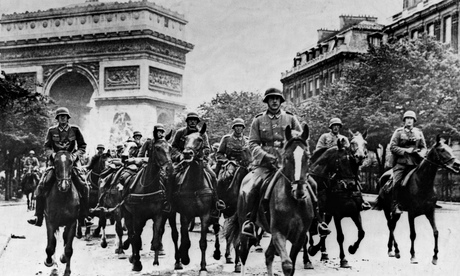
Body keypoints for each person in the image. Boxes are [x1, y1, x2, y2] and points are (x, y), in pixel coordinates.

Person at [241, 88, 330, 238]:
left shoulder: (290, 118)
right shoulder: (258, 120)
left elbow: (303, 139)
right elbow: (252, 143)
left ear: (281, 101)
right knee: (253, 186)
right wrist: (265, 156)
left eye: (277, 98)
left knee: (312, 185)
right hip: (266, 164)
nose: (274, 101)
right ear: (267, 101)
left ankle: (317, 221)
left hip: (289, 164)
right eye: (271, 99)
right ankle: (250, 220)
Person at [27, 107, 92, 227]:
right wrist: (52, 155)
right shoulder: (52, 131)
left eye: (65, 116)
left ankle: (84, 216)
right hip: (55, 163)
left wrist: (75, 156)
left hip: (71, 163)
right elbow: (47, 147)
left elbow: (82, 146)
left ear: (68, 118)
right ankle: (38, 215)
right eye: (60, 116)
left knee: (85, 186)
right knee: (41, 185)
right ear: (57, 118)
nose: (63, 118)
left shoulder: (75, 130)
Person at [171, 112, 224, 216]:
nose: (192, 122)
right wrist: (180, 156)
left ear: (197, 122)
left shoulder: (202, 134)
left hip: (199, 162)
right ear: (187, 122)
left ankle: (216, 202)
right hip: (183, 162)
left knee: (213, 176)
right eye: (190, 120)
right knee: (170, 176)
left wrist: (201, 156)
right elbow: (173, 148)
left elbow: (207, 148)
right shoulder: (180, 132)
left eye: (194, 120)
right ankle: (169, 202)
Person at [315, 117, 371, 211]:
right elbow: (318, 150)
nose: (336, 127)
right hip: (328, 163)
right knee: (319, 179)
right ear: (331, 127)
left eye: (337, 126)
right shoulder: (324, 136)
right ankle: (316, 201)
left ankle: (360, 199)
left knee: (354, 176)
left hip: (340, 165)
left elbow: (348, 152)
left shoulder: (344, 138)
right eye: (334, 126)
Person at [389, 110, 427, 216]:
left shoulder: (418, 133)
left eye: (411, 119)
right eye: (407, 119)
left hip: (416, 163)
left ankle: (429, 200)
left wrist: (420, 153)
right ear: (404, 120)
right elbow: (392, 147)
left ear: (414, 120)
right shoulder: (399, 132)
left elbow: (424, 148)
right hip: (401, 163)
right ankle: (395, 204)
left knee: (426, 179)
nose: (409, 120)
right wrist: (405, 151)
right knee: (396, 182)